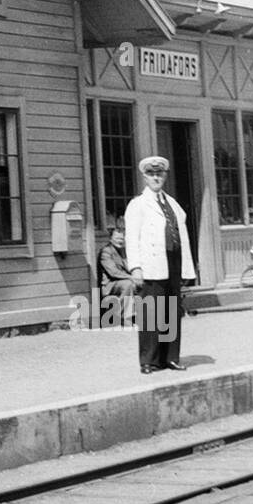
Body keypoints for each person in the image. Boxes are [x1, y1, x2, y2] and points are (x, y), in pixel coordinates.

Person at [124, 155, 196, 374]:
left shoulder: (172, 203)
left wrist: (186, 268)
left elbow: (181, 237)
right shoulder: (138, 204)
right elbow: (131, 238)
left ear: (165, 175)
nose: (156, 177)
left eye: (159, 173)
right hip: (151, 265)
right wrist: (135, 267)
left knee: (171, 312)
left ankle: (170, 357)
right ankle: (148, 360)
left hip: (173, 262)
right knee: (150, 313)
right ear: (145, 177)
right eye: (151, 174)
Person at [98, 224, 137, 327]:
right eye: (117, 238)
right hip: (110, 285)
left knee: (141, 283)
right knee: (128, 284)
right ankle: (124, 318)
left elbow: (130, 267)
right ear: (110, 239)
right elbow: (113, 272)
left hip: (122, 281)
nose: (120, 241)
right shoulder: (106, 252)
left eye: (122, 238)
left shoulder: (123, 251)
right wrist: (131, 277)